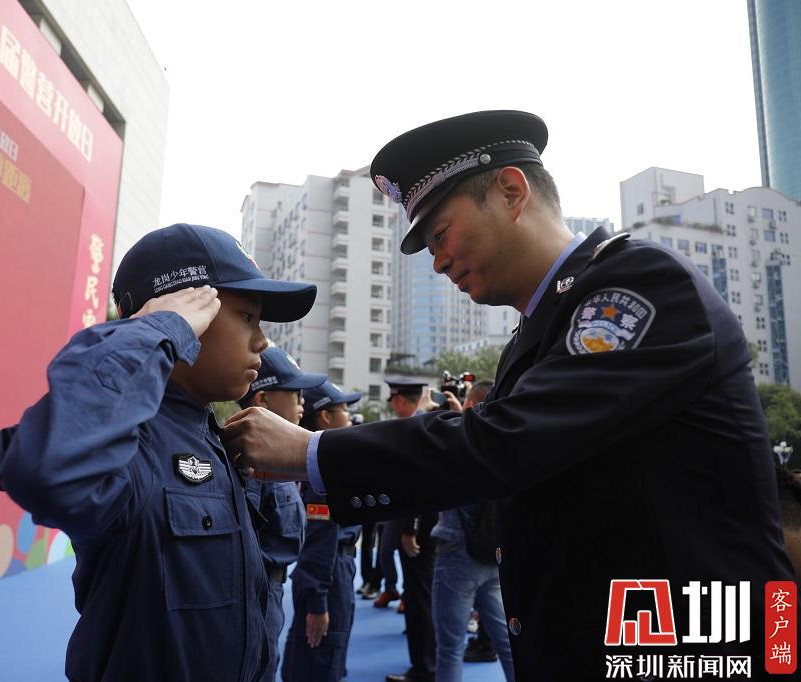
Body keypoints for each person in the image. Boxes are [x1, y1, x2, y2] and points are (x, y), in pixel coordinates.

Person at [224, 111, 795, 679]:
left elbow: (504, 442)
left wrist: (312, 451)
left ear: (511, 192)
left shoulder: (639, 284)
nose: (438, 262)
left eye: (440, 234)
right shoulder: (540, 330)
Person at [0, 223, 316, 681]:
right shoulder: (133, 441)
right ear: (185, 311)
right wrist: (157, 329)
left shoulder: (211, 436)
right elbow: (46, 470)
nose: (261, 340)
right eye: (247, 316)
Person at [237, 346, 324, 681]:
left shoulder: (279, 460)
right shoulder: (251, 465)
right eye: (295, 394)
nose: (303, 403)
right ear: (263, 400)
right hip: (255, 595)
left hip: (271, 592)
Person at [429, 379, 514, 682]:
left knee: (449, 648)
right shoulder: (506, 441)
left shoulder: (459, 441)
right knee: (508, 644)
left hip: (456, 556)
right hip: (491, 557)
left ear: (470, 404)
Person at [281, 380, 363, 682]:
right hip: (328, 574)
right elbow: (320, 538)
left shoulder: (325, 464)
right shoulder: (323, 472)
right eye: (344, 410)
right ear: (325, 417)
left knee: (322, 657)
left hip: (333, 569)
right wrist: (318, 602)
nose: (350, 418)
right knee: (319, 657)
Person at [380, 380, 438, 682]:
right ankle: (427, 663)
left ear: (401, 400)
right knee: (421, 597)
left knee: (420, 599)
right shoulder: (425, 424)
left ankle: (424, 668)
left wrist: (409, 529)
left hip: (419, 533)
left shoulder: (418, 429)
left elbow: (418, 485)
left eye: (393, 400)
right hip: (427, 530)